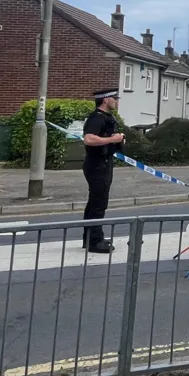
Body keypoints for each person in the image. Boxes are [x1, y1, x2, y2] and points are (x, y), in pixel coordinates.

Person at [81, 88, 124, 253]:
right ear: (106, 100)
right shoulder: (96, 118)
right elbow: (89, 139)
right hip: (97, 164)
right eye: (115, 98)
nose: (117, 101)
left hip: (105, 162)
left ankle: (90, 237)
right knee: (98, 204)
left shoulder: (107, 118)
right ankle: (95, 241)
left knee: (95, 203)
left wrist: (118, 141)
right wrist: (112, 139)